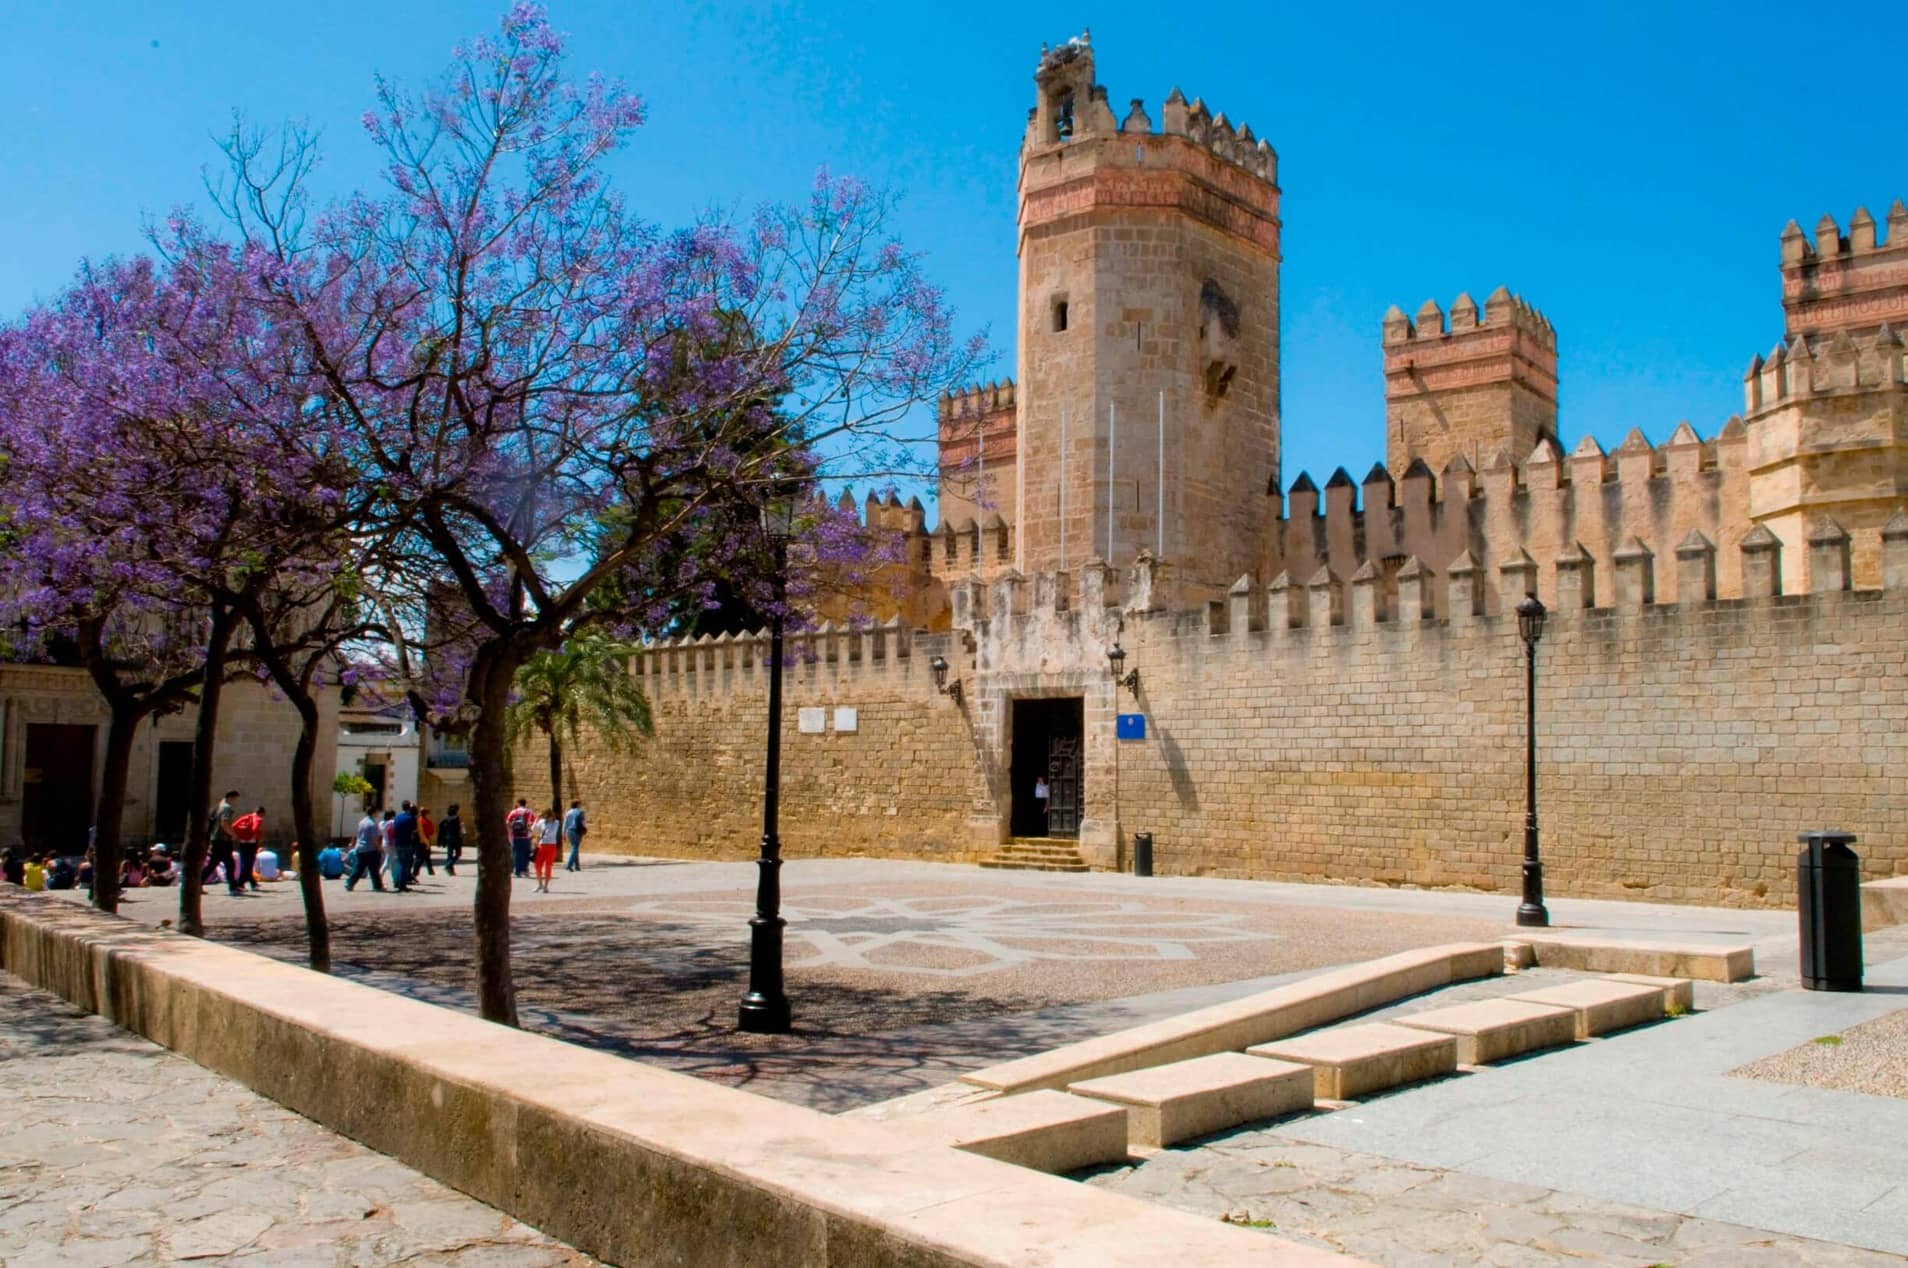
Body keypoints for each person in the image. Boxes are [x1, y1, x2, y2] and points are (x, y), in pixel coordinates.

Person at [345, 809, 386, 892]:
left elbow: (358, 835)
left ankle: (350, 883)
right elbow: (375, 839)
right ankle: (377, 886)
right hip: (371, 849)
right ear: (374, 812)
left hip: (360, 848)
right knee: (374, 869)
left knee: (359, 868)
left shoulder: (362, 822)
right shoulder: (373, 824)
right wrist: (380, 848)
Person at [211, 790, 241, 894]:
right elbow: (224, 823)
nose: (235, 802)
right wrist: (233, 834)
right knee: (229, 863)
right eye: (235, 799)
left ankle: (233, 886)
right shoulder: (226, 807)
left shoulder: (219, 805)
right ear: (231, 797)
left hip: (216, 839)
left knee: (217, 863)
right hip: (223, 839)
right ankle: (233, 887)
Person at [230, 805, 265, 893]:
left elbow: (234, 826)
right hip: (251, 843)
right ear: (261, 813)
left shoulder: (245, 817)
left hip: (242, 842)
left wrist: (240, 835)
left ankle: (253, 884)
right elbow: (255, 829)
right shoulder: (258, 819)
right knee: (248, 864)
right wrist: (255, 836)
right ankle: (240, 883)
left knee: (245, 862)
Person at [532, 807, 561, 892]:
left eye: (547, 816)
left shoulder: (556, 823)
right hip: (542, 846)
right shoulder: (541, 822)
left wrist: (548, 823)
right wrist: (536, 820)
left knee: (548, 866)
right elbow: (534, 830)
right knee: (537, 865)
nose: (546, 818)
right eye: (545, 816)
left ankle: (546, 886)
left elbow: (550, 833)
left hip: (551, 846)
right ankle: (540, 884)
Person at [391, 802, 418, 891]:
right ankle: (402, 885)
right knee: (405, 865)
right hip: (406, 843)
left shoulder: (397, 817)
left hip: (397, 843)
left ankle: (397, 881)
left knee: (399, 863)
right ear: (409, 808)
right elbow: (415, 829)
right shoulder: (411, 818)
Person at [506, 799, 536, 878]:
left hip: (515, 836)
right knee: (526, 853)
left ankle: (517, 871)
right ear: (525, 804)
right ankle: (524, 870)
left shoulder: (514, 812)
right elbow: (533, 823)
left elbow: (508, 822)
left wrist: (511, 832)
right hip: (526, 836)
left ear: (518, 803)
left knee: (516, 853)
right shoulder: (530, 812)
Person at [438, 804, 463, 875]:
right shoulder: (456, 817)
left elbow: (440, 824)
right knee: (458, 854)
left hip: (448, 837)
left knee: (449, 854)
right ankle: (448, 866)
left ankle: (450, 870)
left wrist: (445, 830)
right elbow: (458, 828)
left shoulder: (446, 817)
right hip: (456, 837)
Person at [562, 799, 587, 872]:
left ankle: (577, 866)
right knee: (575, 847)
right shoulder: (580, 812)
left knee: (574, 847)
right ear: (577, 804)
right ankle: (569, 865)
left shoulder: (568, 812)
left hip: (569, 831)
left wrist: (563, 833)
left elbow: (565, 824)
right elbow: (583, 822)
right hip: (577, 831)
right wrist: (584, 828)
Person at [414, 807, 436, 879]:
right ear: (426, 814)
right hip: (425, 840)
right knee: (422, 857)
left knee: (424, 856)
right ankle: (415, 872)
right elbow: (431, 832)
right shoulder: (427, 822)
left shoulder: (418, 820)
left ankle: (430, 870)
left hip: (417, 841)